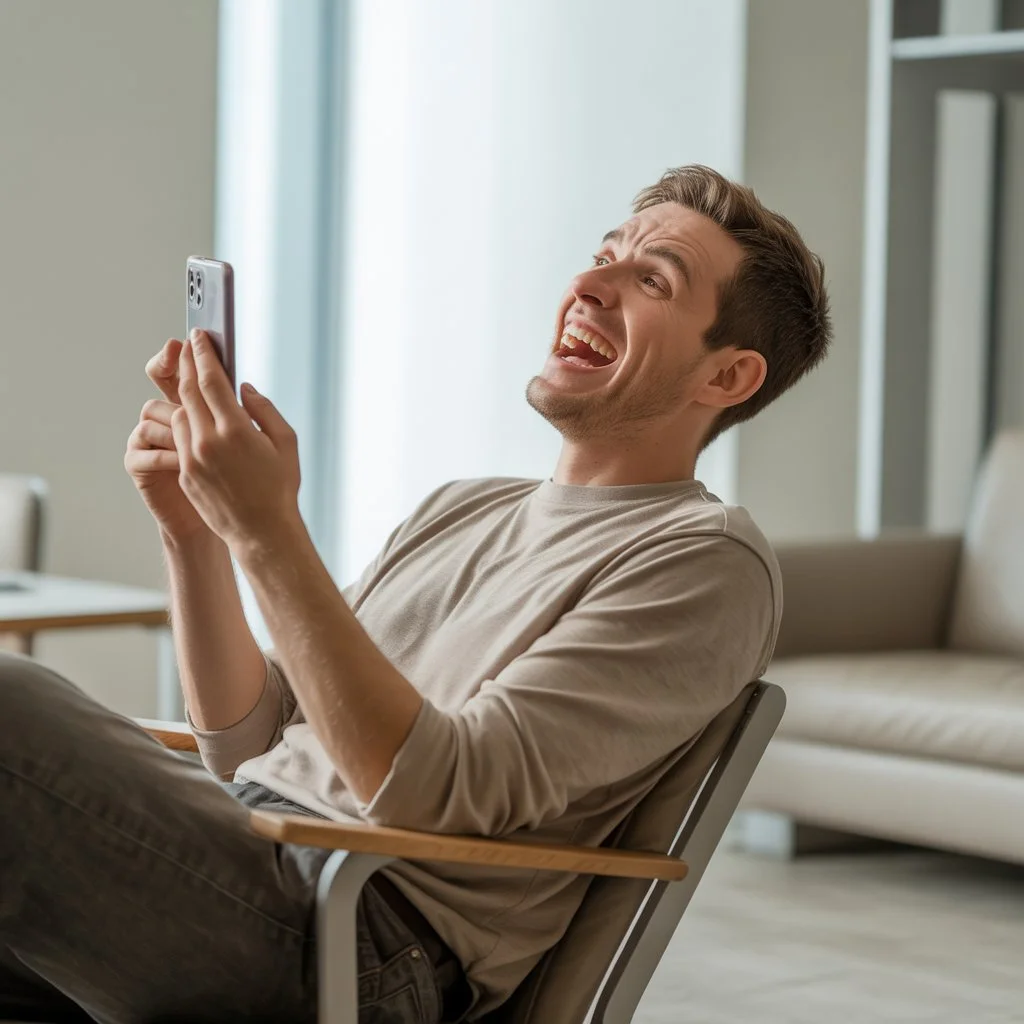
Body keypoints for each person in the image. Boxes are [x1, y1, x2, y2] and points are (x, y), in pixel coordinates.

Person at [0, 165, 831, 1024]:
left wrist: (266, 531)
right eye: (603, 257)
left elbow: (440, 790)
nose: (588, 284)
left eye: (651, 279)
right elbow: (251, 743)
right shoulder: (463, 506)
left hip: (353, 941)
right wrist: (196, 531)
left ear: (728, 378)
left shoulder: (703, 562)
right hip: (241, 854)